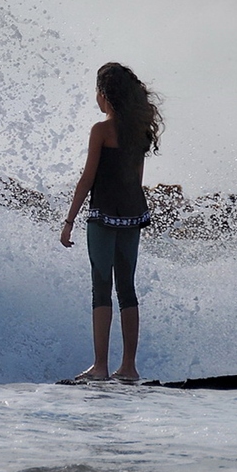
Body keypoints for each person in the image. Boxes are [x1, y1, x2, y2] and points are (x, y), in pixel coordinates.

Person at [60, 62, 163, 382]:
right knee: (127, 289)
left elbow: (87, 179)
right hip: (133, 214)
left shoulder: (101, 130)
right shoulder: (138, 129)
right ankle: (129, 367)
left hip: (103, 216)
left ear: (104, 94)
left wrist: (69, 220)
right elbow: (137, 178)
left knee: (101, 288)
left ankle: (100, 367)